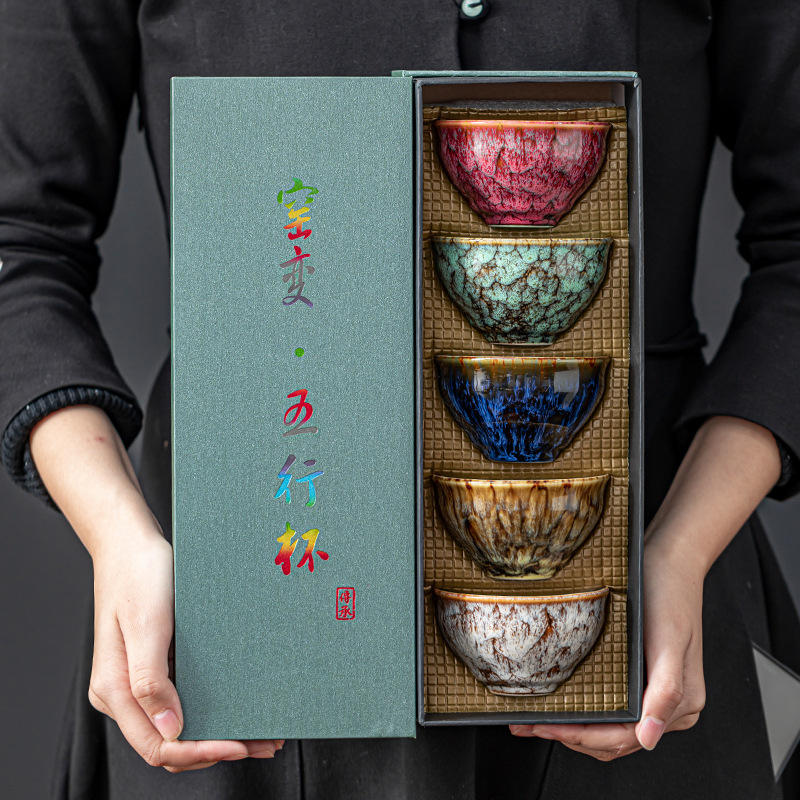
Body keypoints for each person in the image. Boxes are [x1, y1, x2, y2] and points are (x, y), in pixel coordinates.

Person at [1, 1, 799, 798]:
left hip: (649, 599)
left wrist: (682, 547)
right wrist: (118, 535)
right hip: (238, 592)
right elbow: (21, 245)